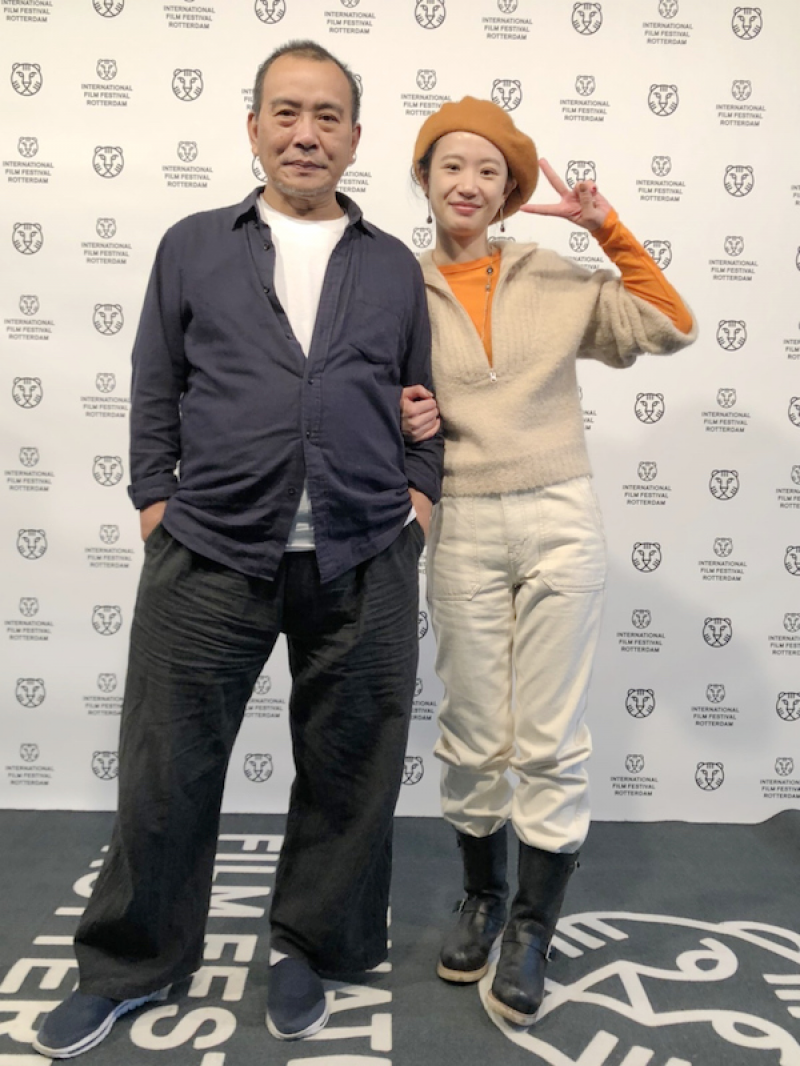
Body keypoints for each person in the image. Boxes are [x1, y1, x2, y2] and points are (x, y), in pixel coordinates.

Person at [34, 40, 441, 1059]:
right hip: (211, 547)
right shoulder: (193, 245)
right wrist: (153, 502)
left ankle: (310, 946)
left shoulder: (392, 264)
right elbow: (155, 382)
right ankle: (130, 965)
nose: (306, 134)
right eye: (286, 113)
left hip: (363, 552)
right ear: (253, 127)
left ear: (356, 136)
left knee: (350, 767)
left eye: (328, 116)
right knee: (165, 770)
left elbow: (418, 396)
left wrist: (422, 500)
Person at [402, 97, 696, 1027]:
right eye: (451, 165)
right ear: (424, 178)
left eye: (489, 171)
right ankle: (482, 896)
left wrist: (606, 228)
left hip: (560, 515)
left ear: (510, 192)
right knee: (473, 729)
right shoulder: (397, 285)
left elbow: (671, 323)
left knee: (551, 737)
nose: (468, 183)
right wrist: (399, 416)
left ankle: (532, 926)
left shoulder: (553, 276)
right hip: (462, 521)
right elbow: (357, 386)